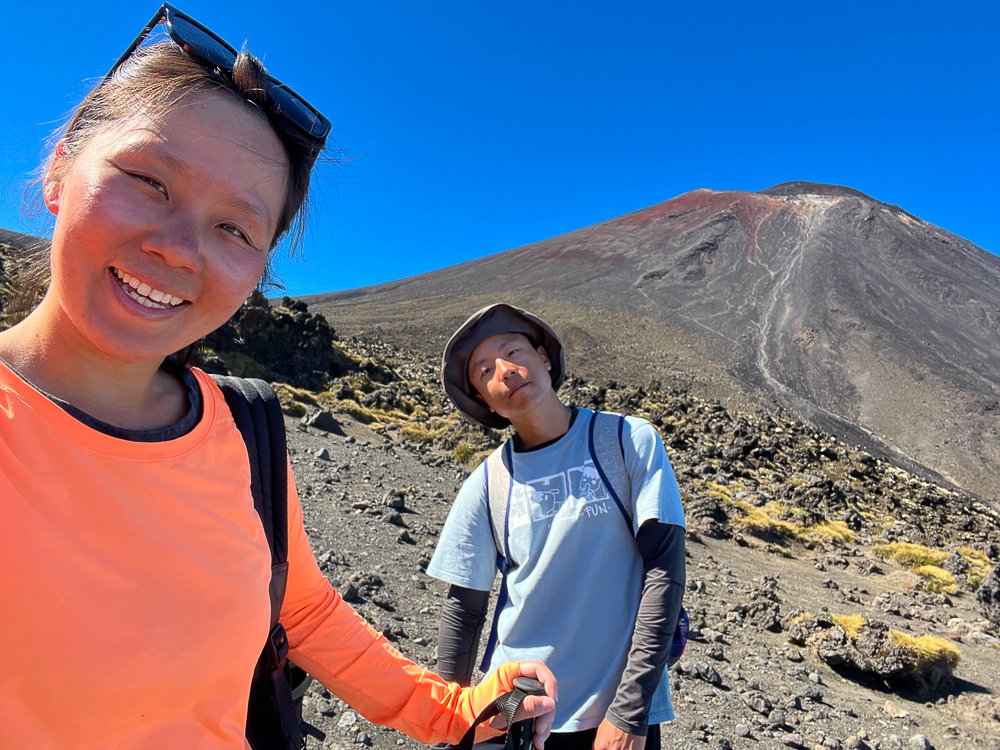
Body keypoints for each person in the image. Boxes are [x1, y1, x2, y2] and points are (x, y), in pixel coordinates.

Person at [0, 6, 556, 748]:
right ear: (60, 169)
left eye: (234, 228)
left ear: (259, 269)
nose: (177, 249)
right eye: (148, 180)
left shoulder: (241, 428)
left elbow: (304, 609)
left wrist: (454, 713)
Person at [427, 304, 686, 750]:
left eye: (513, 351)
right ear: (484, 400)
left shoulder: (626, 441)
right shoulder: (487, 482)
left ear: (545, 357)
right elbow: (464, 610)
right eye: (485, 370)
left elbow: (664, 572)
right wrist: (446, 722)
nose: (506, 371)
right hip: (512, 705)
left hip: (614, 710)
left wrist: (629, 711)